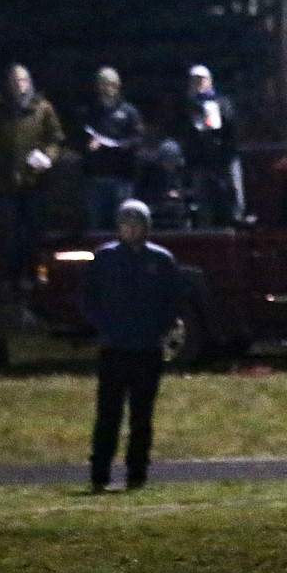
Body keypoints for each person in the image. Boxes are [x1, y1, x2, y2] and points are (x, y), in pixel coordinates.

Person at [83, 199, 181, 492]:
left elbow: (172, 299)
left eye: (137, 224)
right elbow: (88, 298)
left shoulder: (161, 260)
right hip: (115, 348)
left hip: (147, 349)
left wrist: (160, 328)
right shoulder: (105, 258)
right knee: (108, 415)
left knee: (142, 416)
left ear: (147, 227)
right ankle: (100, 473)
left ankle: (137, 473)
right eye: (126, 224)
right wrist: (103, 327)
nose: (132, 230)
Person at [0, 63, 66, 297]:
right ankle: (9, 278)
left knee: (33, 233)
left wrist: (47, 157)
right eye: (16, 81)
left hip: (35, 183)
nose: (20, 85)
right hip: (5, 183)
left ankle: (32, 276)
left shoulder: (42, 109)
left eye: (24, 80)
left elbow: (56, 138)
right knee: (8, 235)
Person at [74, 66, 145, 234]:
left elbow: (138, 138)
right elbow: (77, 139)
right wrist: (87, 145)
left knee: (122, 225)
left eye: (111, 84)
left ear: (117, 86)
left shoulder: (129, 112)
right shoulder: (88, 112)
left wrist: (120, 145)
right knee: (97, 225)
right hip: (96, 177)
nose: (107, 88)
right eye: (103, 84)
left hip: (121, 176)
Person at [174, 64, 244, 226]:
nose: (197, 84)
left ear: (209, 82)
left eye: (201, 80)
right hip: (201, 162)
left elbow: (232, 127)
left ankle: (235, 225)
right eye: (194, 80)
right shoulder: (185, 106)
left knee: (231, 197)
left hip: (224, 159)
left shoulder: (223, 102)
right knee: (204, 202)